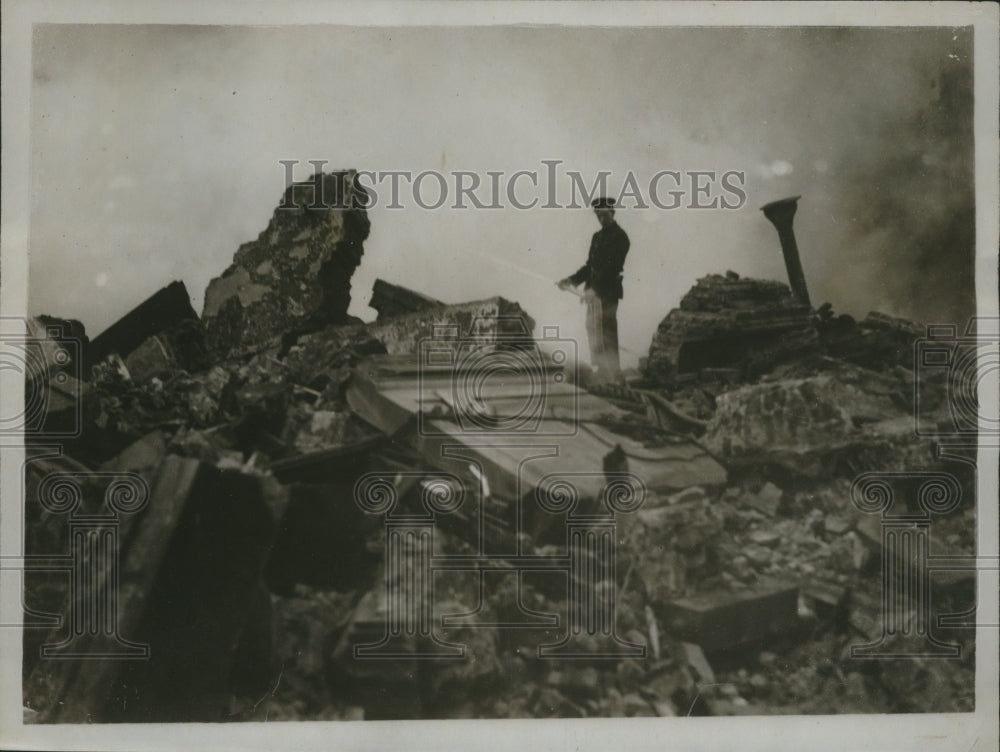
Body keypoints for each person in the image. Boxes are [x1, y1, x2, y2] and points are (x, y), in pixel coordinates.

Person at [558, 197, 630, 380]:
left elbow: (612, 268)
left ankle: (613, 373)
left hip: (607, 293)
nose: (602, 219)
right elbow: (590, 267)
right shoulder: (597, 237)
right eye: (598, 216)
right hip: (592, 294)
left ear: (612, 212)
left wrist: (595, 290)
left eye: (605, 215)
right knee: (593, 330)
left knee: (606, 331)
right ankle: (601, 370)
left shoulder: (620, 237)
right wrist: (571, 280)